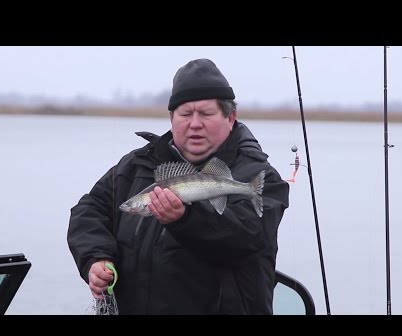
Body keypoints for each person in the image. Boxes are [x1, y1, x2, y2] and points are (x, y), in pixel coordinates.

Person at [67, 58, 289, 315]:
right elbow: (89, 209)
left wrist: (186, 218)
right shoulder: (136, 166)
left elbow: (247, 237)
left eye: (206, 114)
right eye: (185, 114)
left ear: (231, 117)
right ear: (172, 118)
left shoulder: (260, 177)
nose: (195, 124)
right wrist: (96, 258)